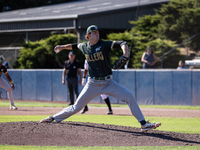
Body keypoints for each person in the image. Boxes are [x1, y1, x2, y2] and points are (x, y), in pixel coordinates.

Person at [40, 25, 161, 132]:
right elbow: (74, 46)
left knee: (129, 96)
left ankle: (144, 124)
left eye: (98, 32)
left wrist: (125, 54)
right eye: (95, 32)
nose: (98, 34)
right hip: (92, 84)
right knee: (77, 106)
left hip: (108, 82)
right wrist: (61, 46)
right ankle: (53, 118)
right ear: (88, 35)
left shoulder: (104, 45)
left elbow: (123, 43)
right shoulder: (84, 46)